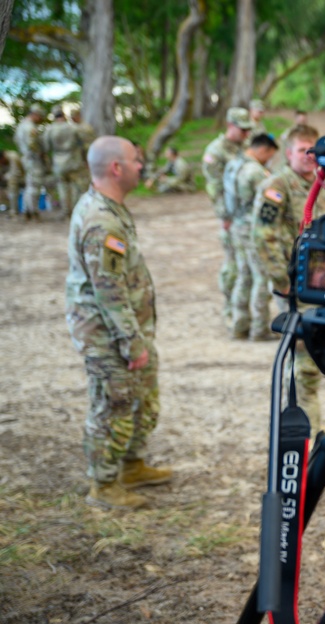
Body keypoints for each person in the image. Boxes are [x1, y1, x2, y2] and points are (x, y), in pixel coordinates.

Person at [65, 136, 173, 509]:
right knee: (114, 405)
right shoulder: (101, 221)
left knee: (142, 399)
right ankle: (104, 485)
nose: (141, 165)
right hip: (106, 334)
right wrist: (131, 342)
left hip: (126, 328)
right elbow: (108, 291)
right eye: (135, 160)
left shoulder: (110, 207)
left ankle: (131, 465)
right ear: (116, 168)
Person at [251, 124, 325, 433]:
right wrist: (280, 280)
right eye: (302, 150)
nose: (309, 156)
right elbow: (263, 237)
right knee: (303, 368)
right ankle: (306, 436)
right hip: (296, 289)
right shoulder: (278, 187)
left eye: (313, 150)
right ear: (288, 153)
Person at [202, 107, 253, 328]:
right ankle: (230, 308)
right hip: (231, 216)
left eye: (247, 130)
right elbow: (214, 188)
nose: (246, 134)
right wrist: (224, 216)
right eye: (242, 130)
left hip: (246, 215)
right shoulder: (216, 151)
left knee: (246, 264)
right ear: (230, 126)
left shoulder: (243, 147)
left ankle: (242, 309)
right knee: (233, 263)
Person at [226, 133, 278, 340]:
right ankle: (259, 329)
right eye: (269, 156)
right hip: (252, 229)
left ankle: (239, 325)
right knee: (261, 277)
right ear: (262, 149)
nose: (268, 160)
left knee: (243, 275)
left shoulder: (234, 164)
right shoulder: (256, 171)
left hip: (237, 226)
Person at [43, 107, 87, 216]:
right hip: (73, 160)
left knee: (62, 186)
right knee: (77, 186)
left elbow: (46, 147)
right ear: (64, 116)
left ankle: (66, 211)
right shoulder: (73, 127)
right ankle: (77, 210)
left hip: (58, 161)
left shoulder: (49, 129)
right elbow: (84, 143)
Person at [14, 102, 47, 221]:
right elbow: (32, 144)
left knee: (29, 184)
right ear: (35, 114)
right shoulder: (31, 127)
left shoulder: (21, 126)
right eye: (40, 116)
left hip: (26, 158)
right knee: (34, 185)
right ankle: (33, 212)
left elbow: (17, 141)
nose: (40, 119)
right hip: (33, 159)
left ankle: (28, 210)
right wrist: (40, 153)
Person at [4, 149, 23, 216]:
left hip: (23, 176)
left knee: (12, 185)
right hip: (18, 176)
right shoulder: (6, 159)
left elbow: (15, 172)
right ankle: (14, 209)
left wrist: (5, 177)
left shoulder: (13, 156)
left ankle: (14, 211)